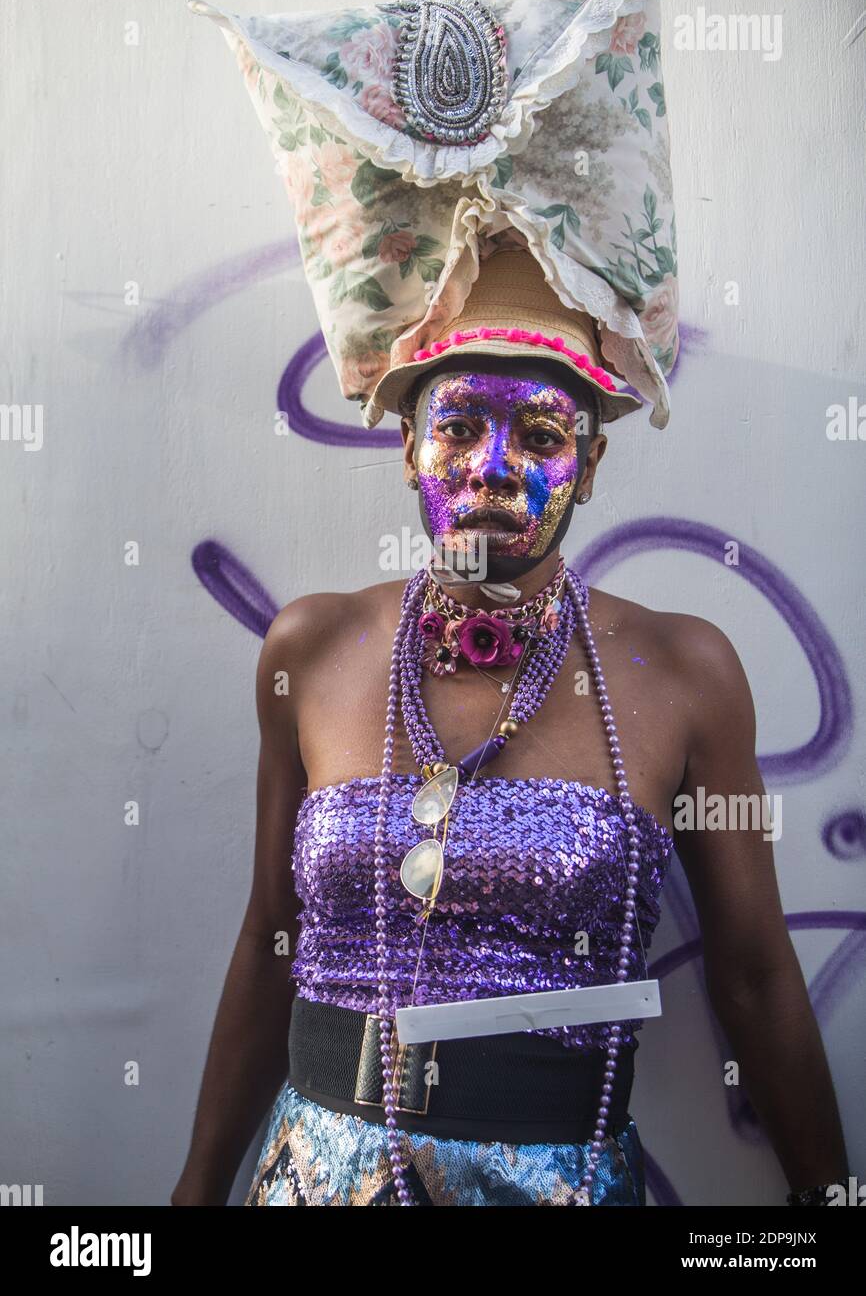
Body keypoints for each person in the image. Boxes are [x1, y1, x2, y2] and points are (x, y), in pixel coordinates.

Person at [171, 249, 849, 1207]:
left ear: (594, 460)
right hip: (318, 1180)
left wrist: (830, 1199)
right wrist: (198, 1186)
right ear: (408, 443)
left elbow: (753, 974)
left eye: (539, 435)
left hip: (558, 1188)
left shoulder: (687, 673)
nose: (493, 467)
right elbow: (272, 933)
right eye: (457, 426)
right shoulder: (312, 649)